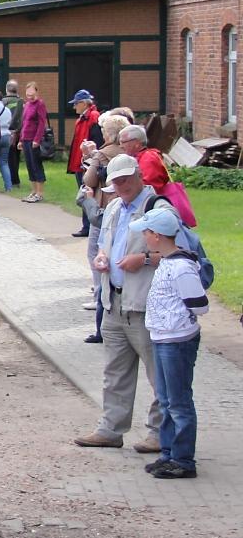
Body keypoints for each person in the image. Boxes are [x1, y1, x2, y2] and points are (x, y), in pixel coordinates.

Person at [74, 154, 178, 453]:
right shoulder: (115, 207)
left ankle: (160, 433)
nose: (121, 186)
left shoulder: (158, 210)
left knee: (158, 374)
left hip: (146, 306)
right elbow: (107, 245)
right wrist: (102, 258)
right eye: (116, 181)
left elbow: (179, 254)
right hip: (113, 300)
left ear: (139, 176)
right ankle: (110, 429)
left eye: (125, 179)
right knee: (114, 372)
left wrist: (143, 259)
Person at [130, 205, 209, 479]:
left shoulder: (182, 267)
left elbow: (199, 305)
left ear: (156, 236)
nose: (144, 238)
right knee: (165, 399)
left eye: (147, 233)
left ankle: (183, 459)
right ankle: (168, 453)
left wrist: (176, 318)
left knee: (178, 401)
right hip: (163, 338)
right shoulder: (166, 262)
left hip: (177, 341)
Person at [79, 113, 132, 342]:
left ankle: (99, 302)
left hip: (104, 206)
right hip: (125, 211)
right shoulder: (130, 155)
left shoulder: (103, 154)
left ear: (109, 134)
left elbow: (89, 181)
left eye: (103, 131)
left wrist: (91, 160)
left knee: (98, 254)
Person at [67, 89, 102, 237]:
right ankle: (86, 226)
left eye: (76, 104)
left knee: (88, 195)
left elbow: (97, 141)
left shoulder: (93, 118)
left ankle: (90, 226)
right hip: (80, 163)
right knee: (84, 194)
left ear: (83, 103)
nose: (74, 107)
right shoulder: (83, 118)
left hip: (87, 164)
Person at [17, 81, 48, 203]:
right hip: (25, 138)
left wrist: (37, 139)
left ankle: (40, 193)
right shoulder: (27, 105)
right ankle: (33, 191)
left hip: (34, 139)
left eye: (31, 91)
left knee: (36, 165)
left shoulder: (40, 104)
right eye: (27, 91)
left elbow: (41, 123)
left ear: (36, 91)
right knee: (29, 165)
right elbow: (24, 123)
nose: (29, 94)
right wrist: (20, 139)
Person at [116, 124, 170, 190]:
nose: (120, 146)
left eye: (123, 142)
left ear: (136, 143)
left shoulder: (149, 158)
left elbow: (148, 187)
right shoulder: (138, 157)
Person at [1, 80, 23, 188]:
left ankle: (13, 181)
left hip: (7, 132)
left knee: (9, 158)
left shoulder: (3, 101)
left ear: (6, 89)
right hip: (20, 133)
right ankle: (15, 179)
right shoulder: (21, 101)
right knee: (16, 157)